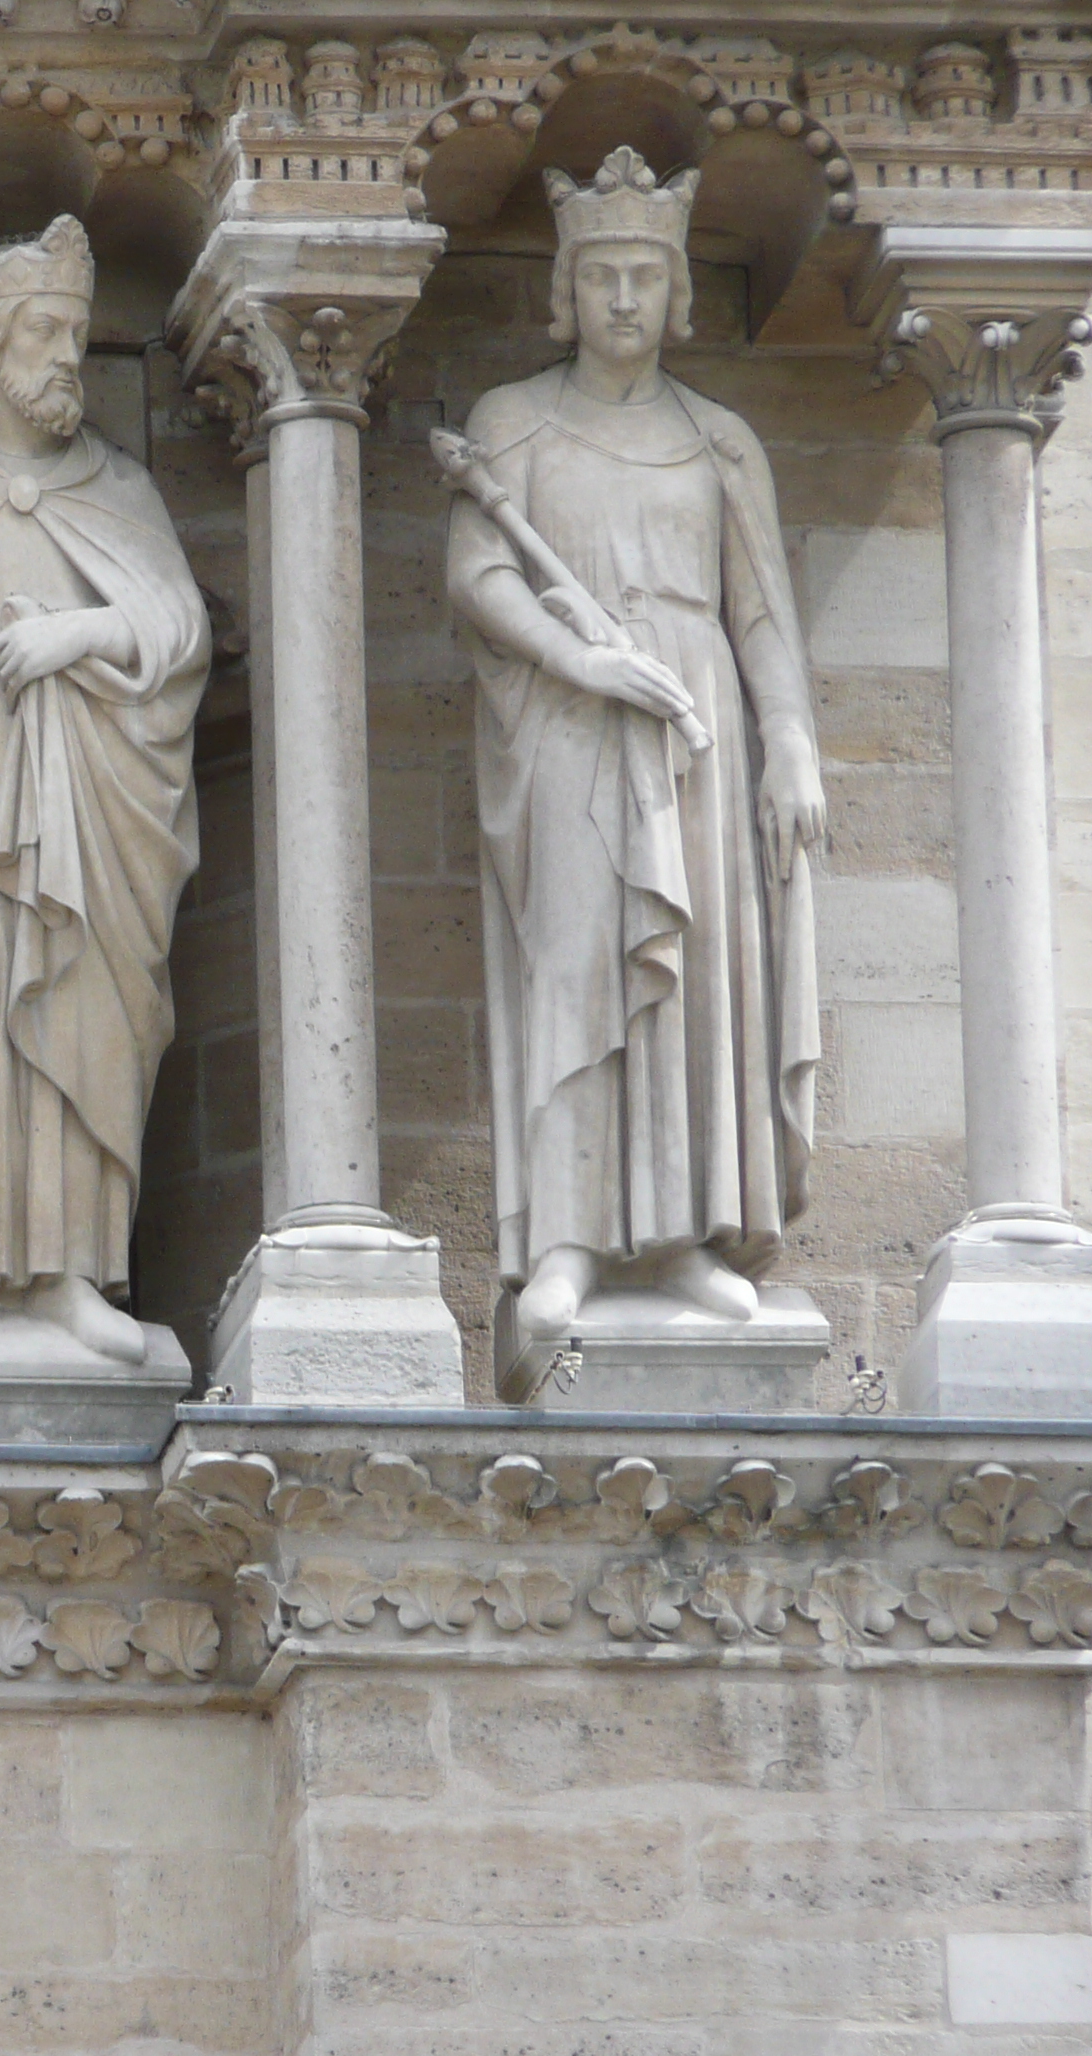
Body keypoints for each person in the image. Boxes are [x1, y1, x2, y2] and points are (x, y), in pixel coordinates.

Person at [446, 146, 825, 1340]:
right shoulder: (515, 423)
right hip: (568, 725)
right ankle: (563, 1241)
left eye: (644, 279)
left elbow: (757, 611)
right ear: (568, 287)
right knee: (576, 966)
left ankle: (682, 1241)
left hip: (693, 722)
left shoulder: (721, 441)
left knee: (695, 979)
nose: (623, 301)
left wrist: (792, 744)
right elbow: (477, 574)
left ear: (675, 292)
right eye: (601, 276)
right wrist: (577, 658)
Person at [0, 216, 210, 1364]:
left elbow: (179, 626)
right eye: (45, 330)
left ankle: (71, 1275)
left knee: (80, 1014)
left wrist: (81, 633)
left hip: (91, 781)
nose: (65, 355)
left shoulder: (118, 487)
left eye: (74, 332)